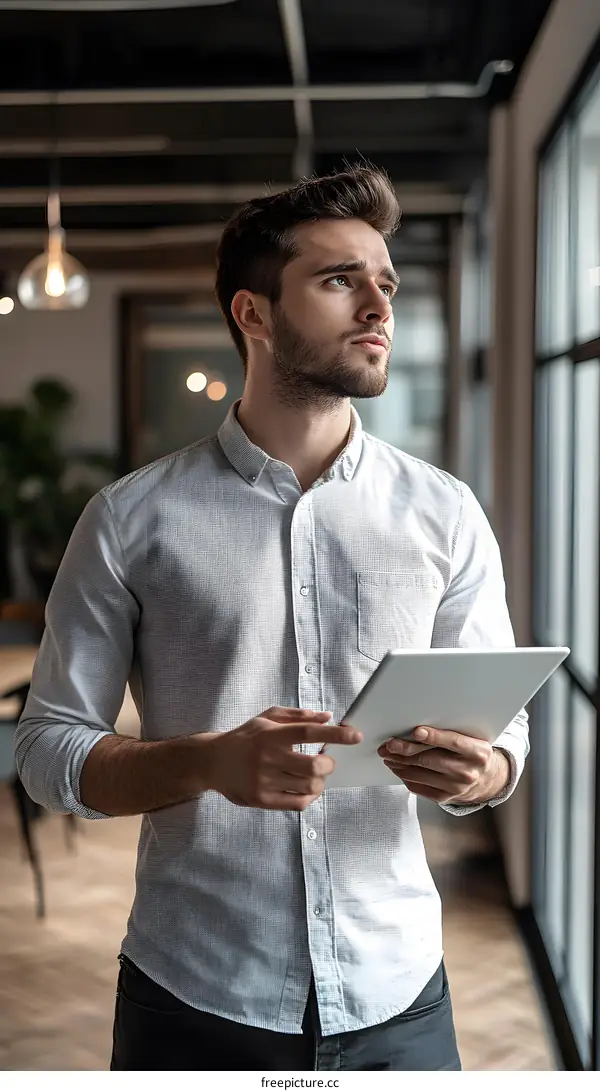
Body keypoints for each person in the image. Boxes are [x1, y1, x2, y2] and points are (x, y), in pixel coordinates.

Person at [15, 163, 528, 1073]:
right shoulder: (131, 520)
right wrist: (207, 762)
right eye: (340, 280)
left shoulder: (446, 513)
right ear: (253, 314)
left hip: (398, 987)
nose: (377, 305)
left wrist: (483, 769)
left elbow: (503, 730)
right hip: (196, 984)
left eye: (386, 283)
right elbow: (48, 752)